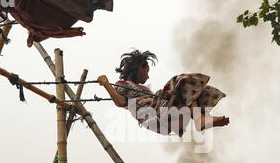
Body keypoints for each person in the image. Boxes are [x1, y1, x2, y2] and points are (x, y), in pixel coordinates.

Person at [97, 50, 229, 136]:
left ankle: (200, 118)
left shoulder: (144, 89)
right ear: (139, 69)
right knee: (181, 80)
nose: (148, 76)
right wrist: (106, 84)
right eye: (146, 71)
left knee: (198, 90)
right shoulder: (122, 85)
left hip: (168, 118)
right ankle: (200, 119)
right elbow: (120, 102)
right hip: (156, 118)